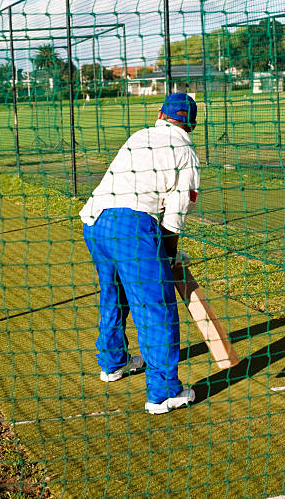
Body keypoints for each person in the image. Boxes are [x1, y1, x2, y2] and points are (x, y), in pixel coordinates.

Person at [80, 92, 200, 414]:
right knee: (156, 307)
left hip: (95, 221)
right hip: (130, 227)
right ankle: (162, 394)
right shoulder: (186, 150)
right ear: (191, 124)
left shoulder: (140, 135)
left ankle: (113, 363)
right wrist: (170, 254)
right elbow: (176, 211)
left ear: (160, 114)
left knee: (114, 295)